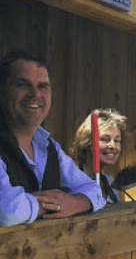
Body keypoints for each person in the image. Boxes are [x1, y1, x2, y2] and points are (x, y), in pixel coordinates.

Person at [0, 50, 106, 227]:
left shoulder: (48, 146)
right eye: (22, 84)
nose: (35, 93)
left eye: (42, 86)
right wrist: (54, 205)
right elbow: (6, 210)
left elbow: (93, 190)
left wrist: (77, 203)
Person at [70, 109, 127, 203]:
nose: (113, 146)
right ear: (87, 143)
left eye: (117, 141)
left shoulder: (110, 183)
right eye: (104, 139)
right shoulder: (72, 183)